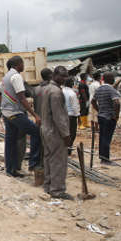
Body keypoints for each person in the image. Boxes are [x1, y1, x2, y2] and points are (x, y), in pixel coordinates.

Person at [0, 56, 41, 178]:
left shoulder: (6, 77)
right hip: (15, 113)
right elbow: (22, 98)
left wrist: (4, 104)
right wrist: (35, 115)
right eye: (22, 63)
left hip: (6, 113)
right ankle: (33, 163)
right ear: (17, 65)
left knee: (10, 142)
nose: (23, 66)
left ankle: (10, 170)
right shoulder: (16, 77)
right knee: (36, 132)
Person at [40, 66, 72, 200]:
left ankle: (48, 186)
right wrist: (66, 135)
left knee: (48, 159)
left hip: (45, 129)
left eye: (66, 76)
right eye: (62, 76)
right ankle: (57, 190)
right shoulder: (56, 93)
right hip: (54, 131)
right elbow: (58, 116)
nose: (64, 79)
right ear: (55, 76)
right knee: (58, 161)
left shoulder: (47, 88)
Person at [91, 72, 121, 165]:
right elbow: (117, 103)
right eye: (112, 77)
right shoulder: (111, 89)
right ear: (109, 79)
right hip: (109, 117)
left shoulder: (99, 89)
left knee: (102, 137)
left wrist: (99, 110)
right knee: (107, 138)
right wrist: (116, 116)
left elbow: (93, 101)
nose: (113, 79)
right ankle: (105, 160)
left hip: (101, 116)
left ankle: (102, 157)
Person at [62, 78, 80, 155]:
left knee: (64, 133)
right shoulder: (72, 93)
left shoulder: (60, 91)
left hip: (62, 115)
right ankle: (68, 150)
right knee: (72, 134)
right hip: (71, 116)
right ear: (72, 84)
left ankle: (63, 149)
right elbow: (74, 107)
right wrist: (78, 117)